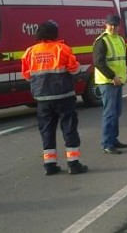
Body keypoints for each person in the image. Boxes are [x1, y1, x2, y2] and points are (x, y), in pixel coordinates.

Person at [21, 20, 88, 175]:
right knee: (69, 129)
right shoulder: (62, 49)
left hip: (43, 99)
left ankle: (50, 165)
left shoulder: (30, 52)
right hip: (64, 96)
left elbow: (27, 76)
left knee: (47, 131)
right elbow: (74, 69)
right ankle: (73, 164)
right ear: (54, 33)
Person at [92, 15, 127, 155]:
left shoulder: (120, 39)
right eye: (110, 25)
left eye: (115, 25)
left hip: (119, 80)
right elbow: (98, 62)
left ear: (119, 26)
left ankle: (113, 140)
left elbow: (125, 58)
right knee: (110, 113)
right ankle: (107, 143)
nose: (113, 27)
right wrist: (112, 76)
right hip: (107, 81)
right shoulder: (101, 41)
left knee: (117, 112)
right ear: (106, 25)